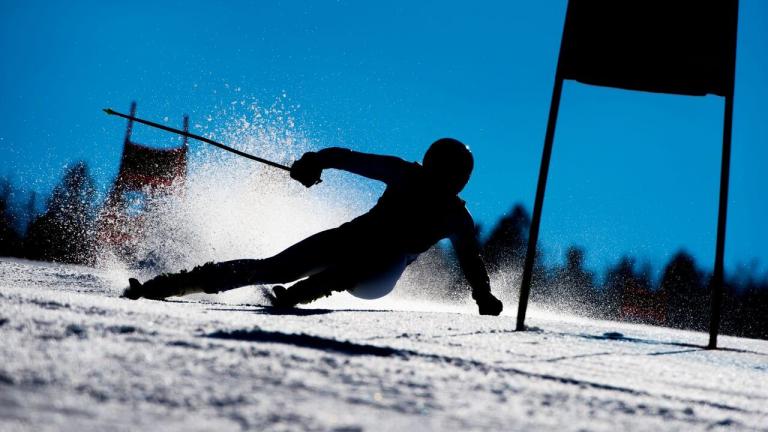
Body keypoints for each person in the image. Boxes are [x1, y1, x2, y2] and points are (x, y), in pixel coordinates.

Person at [123, 138, 503, 315]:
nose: (448, 184)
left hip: (380, 274)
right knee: (273, 267)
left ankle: (304, 291)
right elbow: (346, 158)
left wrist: (482, 295)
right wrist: (313, 162)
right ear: (432, 167)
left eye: (456, 178)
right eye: (446, 174)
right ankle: (166, 285)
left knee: (380, 252)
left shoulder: (455, 216)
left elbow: (472, 262)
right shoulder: (406, 175)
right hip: (353, 238)